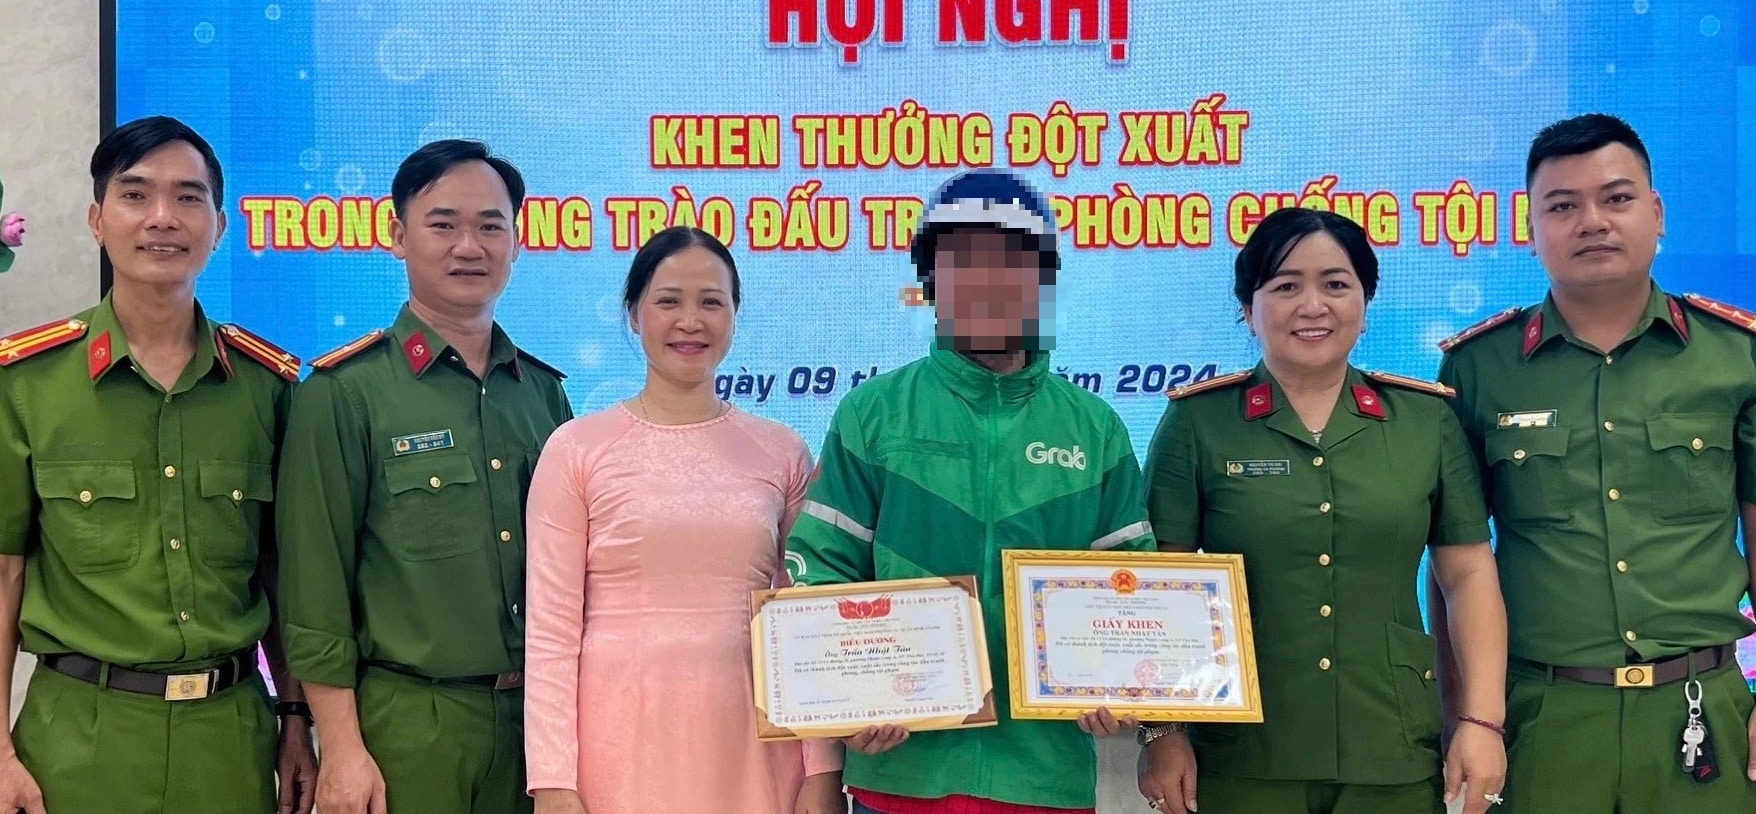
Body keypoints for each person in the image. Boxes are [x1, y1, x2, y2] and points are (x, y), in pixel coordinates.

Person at [1432, 114, 1756, 813]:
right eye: (1562, 206)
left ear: (1657, 212)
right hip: (1542, 717)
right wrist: (1463, 713)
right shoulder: (1478, 369)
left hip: (1700, 709)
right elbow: (1456, 559)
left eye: (1616, 198)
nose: (1592, 222)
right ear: (1530, 228)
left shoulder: (1737, 353)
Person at [786, 168, 1153, 814]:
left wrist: (1125, 687)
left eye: (1013, 264)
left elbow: (1132, 588)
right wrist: (852, 698)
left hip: (1044, 780)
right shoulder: (873, 415)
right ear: (930, 284)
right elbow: (817, 570)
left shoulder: (1095, 430)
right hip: (900, 776)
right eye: (964, 265)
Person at [1137, 207, 1508, 814]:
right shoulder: (1198, 423)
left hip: (1390, 741)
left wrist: (1482, 720)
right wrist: (1162, 730)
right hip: (1242, 750)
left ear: (1365, 301)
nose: (1313, 306)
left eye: (1336, 284)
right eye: (1286, 286)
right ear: (1249, 308)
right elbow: (1161, 587)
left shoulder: (1425, 421)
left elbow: (1467, 574)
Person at [0, 116, 316, 814]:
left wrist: (295, 719)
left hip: (231, 740)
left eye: (188, 197)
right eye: (136, 195)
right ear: (97, 220)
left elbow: (281, 575)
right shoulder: (26, 383)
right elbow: (4, 573)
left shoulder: (266, 388)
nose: (162, 218)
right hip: (78, 738)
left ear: (220, 226)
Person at [278, 139, 573, 814]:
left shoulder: (543, 394)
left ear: (517, 241)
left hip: (538, 727)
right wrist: (340, 747)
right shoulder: (344, 393)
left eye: (490, 226)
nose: (469, 246)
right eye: (443, 224)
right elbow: (314, 588)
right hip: (408, 727)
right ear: (398, 236)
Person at [523, 226, 843, 814]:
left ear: (734, 315)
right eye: (668, 301)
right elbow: (550, 635)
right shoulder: (576, 449)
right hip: (616, 747)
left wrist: (822, 769)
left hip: (756, 745)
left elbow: (808, 624)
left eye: (711, 302)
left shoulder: (782, 451)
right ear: (634, 313)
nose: (690, 322)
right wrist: (551, 780)